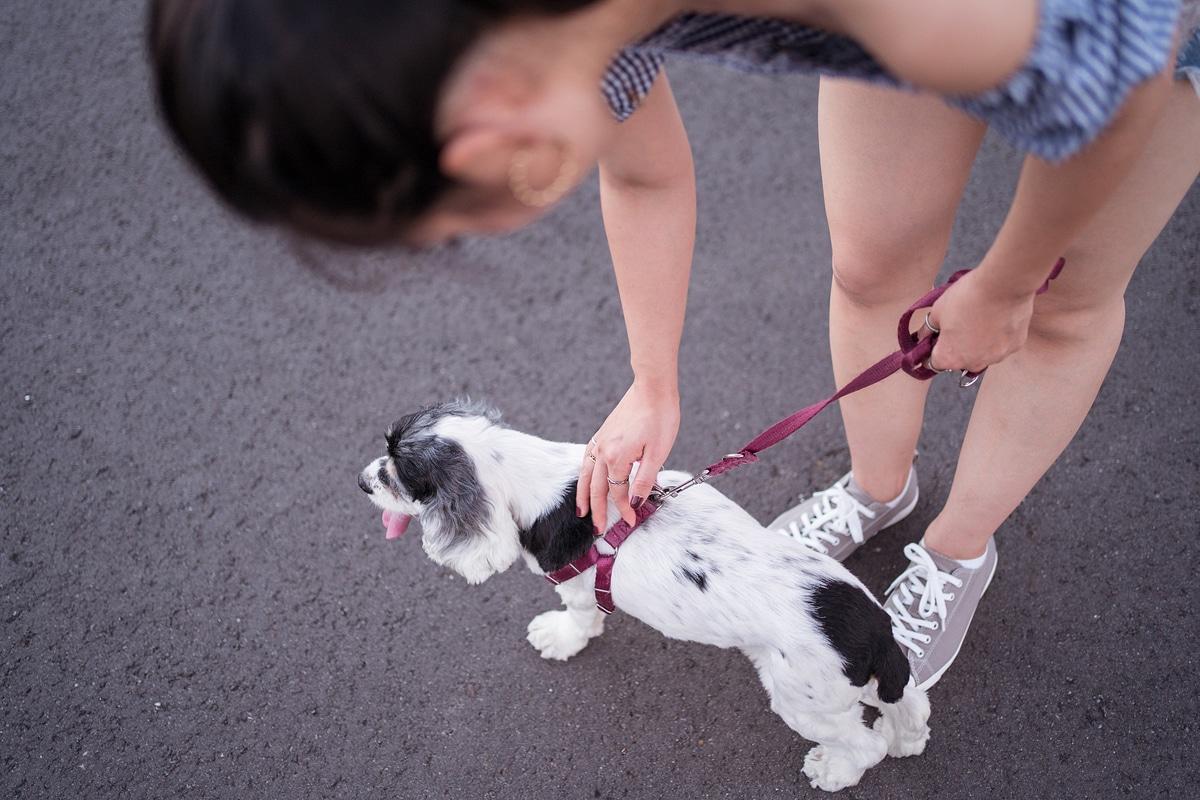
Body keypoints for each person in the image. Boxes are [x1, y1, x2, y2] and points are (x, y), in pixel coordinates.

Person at [149, 0, 1200, 689]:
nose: (486, 230)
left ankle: (959, 548)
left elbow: (1125, 84)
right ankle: (883, 489)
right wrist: (655, 380)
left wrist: (1011, 282)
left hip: (1135, 32)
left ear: (487, 141)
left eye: (462, 221)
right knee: (875, 265)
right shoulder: (542, 29)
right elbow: (640, 164)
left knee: (1066, 300)